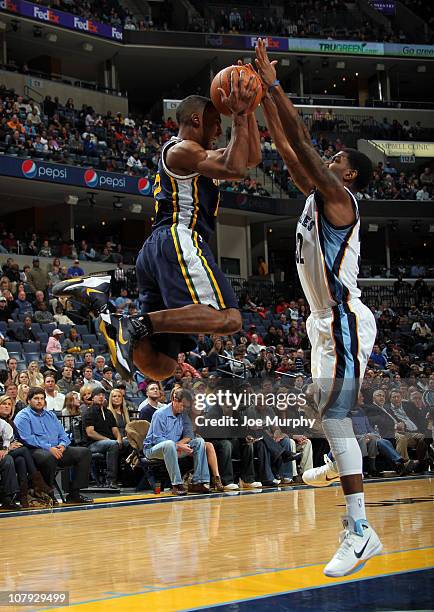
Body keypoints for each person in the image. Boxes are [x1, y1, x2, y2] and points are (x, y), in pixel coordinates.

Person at [254, 39, 381, 576]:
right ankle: (341, 453)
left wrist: (275, 84)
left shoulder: (342, 201)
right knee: (320, 406)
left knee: (334, 414)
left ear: (348, 175)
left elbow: (302, 141)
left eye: (336, 162)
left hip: (346, 318)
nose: (327, 163)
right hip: (322, 322)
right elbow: (288, 146)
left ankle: (360, 531)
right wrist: (260, 98)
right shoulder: (316, 194)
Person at [53, 72, 261, 382]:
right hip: (179, 237)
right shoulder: (182, 150)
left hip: (157, 248)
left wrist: (252, 107)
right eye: (216, 121)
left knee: (160, 366)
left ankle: (103, 307)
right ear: (195, 119)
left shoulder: (197, 155)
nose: (220, 128)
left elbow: (249, 160)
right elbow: (233, 166)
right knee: (230, 319)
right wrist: (241, 113)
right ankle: (135, 324)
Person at [14, 387, 93, 504]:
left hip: (57, 449)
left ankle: (74, 493)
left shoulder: (50, 415)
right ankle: (47, 492)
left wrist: (62, 445)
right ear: (28, 400)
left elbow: (63, 434)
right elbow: (28, 439)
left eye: (42, 398)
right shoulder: (22, 416)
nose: (39, 401)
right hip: (34, 451)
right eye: (36, 398)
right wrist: (48, 448)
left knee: (84, 452)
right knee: (48, 457)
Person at [143, 387, 210, 495]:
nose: (183, 408)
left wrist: (179, 445)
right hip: (153, 449)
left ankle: (198, 482)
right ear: (174, 400)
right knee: (169, 444)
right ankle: (177, 485)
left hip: (173, 447)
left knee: (199, 442)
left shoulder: (183, 414)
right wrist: (178, 446)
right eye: (182, 405)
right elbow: (157, 439)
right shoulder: (160, 414)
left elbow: (189, 435)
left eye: (186, 406)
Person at [0, 394, 52, 506]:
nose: (7, 406)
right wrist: (8, 447)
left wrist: (14, 445)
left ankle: (22, 497)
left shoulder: (10, 422)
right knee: (23, 451)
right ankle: (38, 482)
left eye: (9, 404)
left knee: (21, 460)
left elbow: (18, 439)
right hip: (3, 453)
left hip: (10, 453)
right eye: (4, 404)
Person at [82, 387, 123, 489]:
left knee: (129, 443)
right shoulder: (89, 412)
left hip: (108, 442)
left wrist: (119, 439)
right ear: (93, 398)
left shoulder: (108, 412)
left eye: (103, 395)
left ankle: (127, 478)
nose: (101, 397)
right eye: (98, 395)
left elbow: (115, 429)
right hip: (92, 444)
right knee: (112, 444)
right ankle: (111, 480)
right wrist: (107, 440)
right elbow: (90, 433)